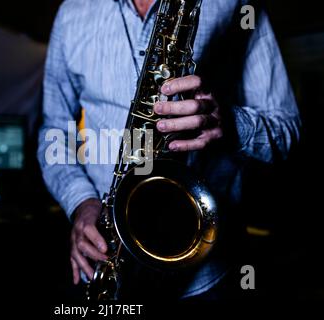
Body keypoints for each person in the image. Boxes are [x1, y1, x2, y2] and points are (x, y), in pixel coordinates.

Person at [38, 0, 300, 299]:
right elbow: (54, 131)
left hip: (209, 272)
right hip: (109, 259)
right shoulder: (72, 12)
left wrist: (229, 123)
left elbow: (288, 132)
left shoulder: (240, 6)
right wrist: (80, 202)